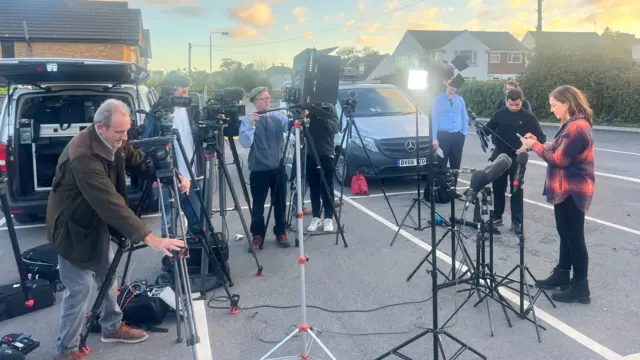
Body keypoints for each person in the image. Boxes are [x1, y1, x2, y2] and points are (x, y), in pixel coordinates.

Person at [46, 99, 187, 360]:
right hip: (72, 229)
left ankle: (111, 327)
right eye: (120, 132)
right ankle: (66, 350)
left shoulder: (114, 142)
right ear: (100, 127)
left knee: (108, 276)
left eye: (127, 131)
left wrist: (170, 173)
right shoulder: (82, 155)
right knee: (80, 288)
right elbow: (108, 203)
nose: (125, 138)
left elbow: (138, 159)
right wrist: (150, 237)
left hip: (97, 224)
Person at [520, 85, 595, 304]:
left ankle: (581, 286)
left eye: (554, 105)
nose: (552, 110)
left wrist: (534, 146)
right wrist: (540, 143)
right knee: (565, 233)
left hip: (573, 189)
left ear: (567, 103)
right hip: (564, 188)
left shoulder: (577, 128)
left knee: (574, 237)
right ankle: (563, 274)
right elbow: (558, 149)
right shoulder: (571, 125)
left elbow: (560, 159)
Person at [485, 89, 546, 233]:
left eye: (517, 105)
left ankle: (516, 221)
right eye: (511, 104)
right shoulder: (500, 114)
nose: (513, 107)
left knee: (516, 190)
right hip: (500, 156)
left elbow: (541, 138)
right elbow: (487, 130)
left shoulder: (528, 117)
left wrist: (526, 148)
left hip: (517, 157)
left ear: (522, 101)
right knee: (498, 187)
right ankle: (497, 216)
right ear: (506, 101)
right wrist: (476, 126)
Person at [239, 86, 291, 249]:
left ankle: (281, 232)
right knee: (258, 205)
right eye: (264, 98)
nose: (268, 101)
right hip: (259, 168)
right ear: (256, 102)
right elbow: (245, 143)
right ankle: (257, 234)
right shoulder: (248, 119)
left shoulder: (278, 116)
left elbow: (289, 128)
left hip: (277, 167)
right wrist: (251, 126)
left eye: (269, 98)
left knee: (280, 203)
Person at [154, 71, 202, 237]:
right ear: (170, 89)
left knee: (197, 219)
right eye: (181, 87)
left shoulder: (191, 110)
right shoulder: (158, 112)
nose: (185, 91)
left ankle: (196, 255)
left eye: (186, 87)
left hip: (191, 174)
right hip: (169, 175)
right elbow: (150, 143)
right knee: (169, 222)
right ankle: (170, 259)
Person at [302, 104, 340, 232]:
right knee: (314, 187)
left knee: (327, 187)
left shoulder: (329, 107)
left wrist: (322, 116)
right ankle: (316, 217)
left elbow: (336, 128)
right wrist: (304, 118)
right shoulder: (308, 106)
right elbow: (302, 129)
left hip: (327, 153)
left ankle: (328, 218)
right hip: (311, 153)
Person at [431, 77, 469, 196]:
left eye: (454, 85)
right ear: (445, 83)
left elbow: (464, 116)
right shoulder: (438, 100)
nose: (452, 87)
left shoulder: (460, 100)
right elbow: (435, 118)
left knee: (455, 163)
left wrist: (464, 133)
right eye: (450, 84)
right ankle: (442, 189)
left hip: (457, 135)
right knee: (442, 162)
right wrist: (434, 137)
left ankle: (453, 188)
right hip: (443, 134)